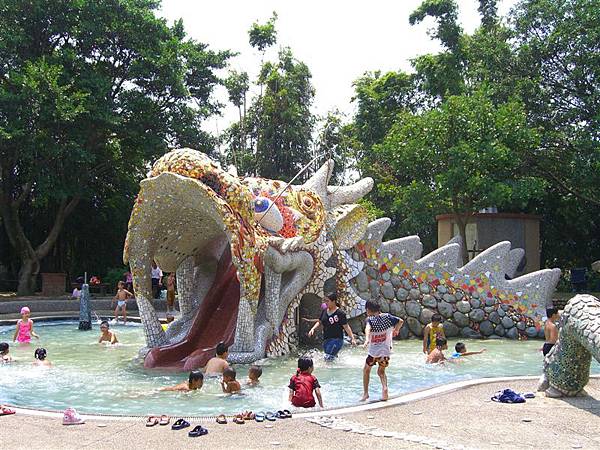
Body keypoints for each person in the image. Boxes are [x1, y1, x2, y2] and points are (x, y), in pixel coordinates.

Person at [360, 300, 403, 402]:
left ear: (368, 309)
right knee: (381, 372)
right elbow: (401, 321)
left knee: (366, 370)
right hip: (386, 351)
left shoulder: (370, 319)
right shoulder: (387, 317)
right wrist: (396, 329)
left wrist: (366, 339)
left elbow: (368, 329)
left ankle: (366, 394)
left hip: (373, 353)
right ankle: (385, 390)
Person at [307, 293, 357, 361]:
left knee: (328, 359)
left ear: (333, 301)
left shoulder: (340, 313)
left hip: (337, 339)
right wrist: (312, 329)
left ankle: (327, 370)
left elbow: (346, 326)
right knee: (330, 358)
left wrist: (352, 338)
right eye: (325, 301)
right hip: (326, 339)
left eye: (327, 301)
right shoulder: (324, 311)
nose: (325, 303)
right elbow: (319, 321)